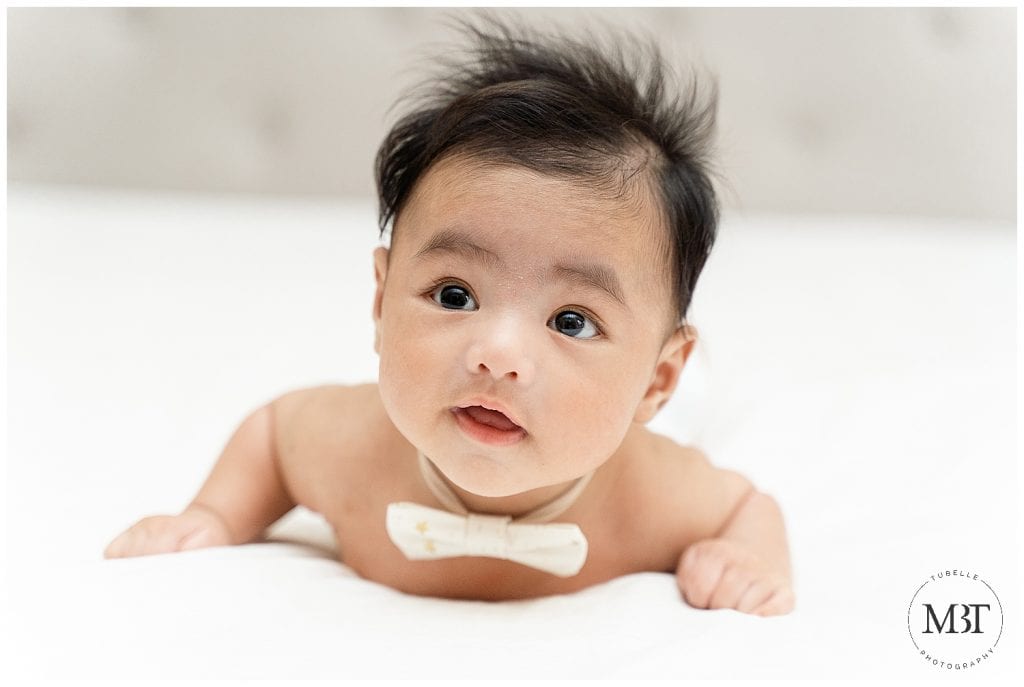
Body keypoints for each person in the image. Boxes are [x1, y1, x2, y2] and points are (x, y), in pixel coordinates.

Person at [105, 17, 794, 615]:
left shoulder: (655, 493)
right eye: (455, 295)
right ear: (380, 302)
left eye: (571, 320)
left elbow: (747, 506)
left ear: (655, 379)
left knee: (705, 402)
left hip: (653, 417)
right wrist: (214, 514)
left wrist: (747, 556)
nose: (497, 353)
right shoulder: (348, 448)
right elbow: (272, 435)